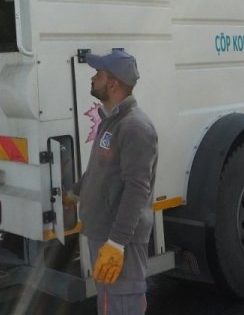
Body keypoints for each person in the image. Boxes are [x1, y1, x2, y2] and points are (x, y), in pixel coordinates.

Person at [69, 49, 158, 315]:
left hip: (120, 242)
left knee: (122, 306)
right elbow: (100, 170)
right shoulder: (112, 121)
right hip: (104, 236)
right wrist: (74, 194)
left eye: (98, 74)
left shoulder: (135, 127)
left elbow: (137, 188)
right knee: (109, 305)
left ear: (113, 83)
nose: (93, 78)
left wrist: (117, 243)